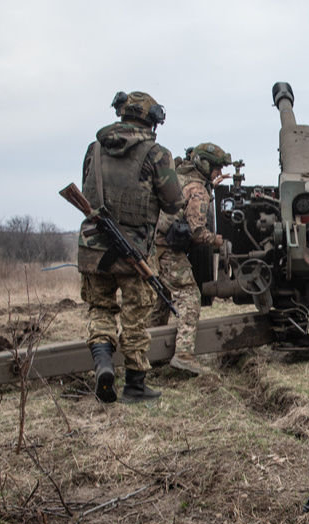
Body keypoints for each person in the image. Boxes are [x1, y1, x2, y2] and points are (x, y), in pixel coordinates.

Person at [78, 91, 184, 404]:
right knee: (136, 317)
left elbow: (88, 191)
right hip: (133, 251)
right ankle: (135, 385)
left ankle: (104, 364)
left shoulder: (94, 149)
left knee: (100, 309)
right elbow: (174, 202)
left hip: (92, 248)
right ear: (151, 120)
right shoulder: (157, 154)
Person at [149, 142, 231, 376]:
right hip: (167, 250)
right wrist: (216, 239)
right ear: (204, 165)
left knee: (162, 299)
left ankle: (146, 353)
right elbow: (196, 232)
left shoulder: (181, 177)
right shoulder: (197, 189)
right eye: (216, 168)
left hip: (154, 247)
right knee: (189, 294)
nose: (217, 172)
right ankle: (183, 355)